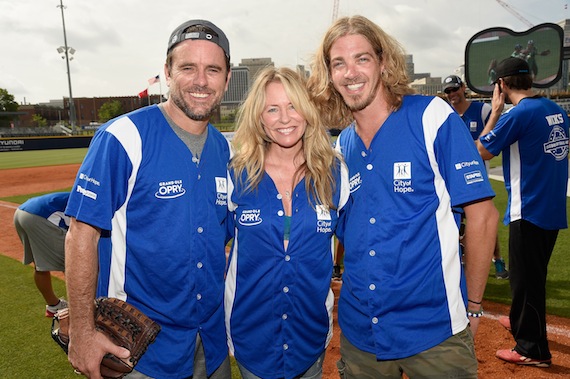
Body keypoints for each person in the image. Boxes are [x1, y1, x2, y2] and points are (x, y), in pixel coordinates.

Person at [308, 15, 499, 378]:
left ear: (382, 62)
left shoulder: (430, 116)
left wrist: (473, 306)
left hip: (433, 330)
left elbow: (482, 215)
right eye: (339, 63)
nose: (351, 72)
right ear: (329, 75)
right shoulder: (342, 146)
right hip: (362, 334)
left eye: (362, 58)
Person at [64, 19, 233, 379]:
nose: (201, 81)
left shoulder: (224, 148)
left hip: (211, 343)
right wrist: (81, 331)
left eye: (212, 70)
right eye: (188, 67)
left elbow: (221, 239)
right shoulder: (124, 137)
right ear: (168, 72)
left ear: (227, 78)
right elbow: (81, 235)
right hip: (140, 351)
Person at [225, 66, 349, 379]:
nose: (284, 118)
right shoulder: (234, 174)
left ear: (308, 112)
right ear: (259, 117)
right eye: (273, 109)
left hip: (309, 339)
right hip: (252, 341)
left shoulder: (336, 173)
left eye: (293, 106)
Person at [476, 57, 569, 368]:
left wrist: (496, 111)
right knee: (529, 274)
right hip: (551, 206)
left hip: (527, 208)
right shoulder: (556, 110)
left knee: (526, 280)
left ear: (501, 85)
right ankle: (520, 320)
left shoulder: (519, 114)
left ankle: (532, 349)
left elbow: (480, 152)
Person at [443, 74, 509, 280]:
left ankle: (498, 261)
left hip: (478, 178)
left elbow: (493, 142)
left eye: (454, 89)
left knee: (482, 220)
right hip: (451, 179)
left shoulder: (483, 110)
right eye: (448, 91)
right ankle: (460, 263)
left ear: (463, 87)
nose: (452, 94)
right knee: (454, 223)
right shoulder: (446, 114)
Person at [13, 192, 70, 317]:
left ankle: (54, 306)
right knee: (73, 264)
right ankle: (81, 309)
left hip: (22, 212)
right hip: (40, 217)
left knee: (40, 266)